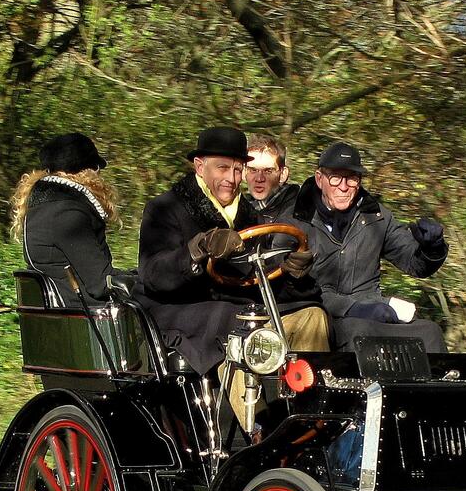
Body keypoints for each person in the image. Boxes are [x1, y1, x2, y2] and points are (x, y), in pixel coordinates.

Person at [137, 126, 329, 379]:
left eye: (238, 170)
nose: (232, 178)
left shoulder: (251, 217)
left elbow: (259, 277)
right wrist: (197, 250)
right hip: (178, 310)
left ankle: (309, 408)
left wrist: (292, 273)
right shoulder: (165, 208)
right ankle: (252, 415)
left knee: (312, 315)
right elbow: (153, 275)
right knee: (244, 324)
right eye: (223, 168)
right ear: (199, 166)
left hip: (236, 307)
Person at [279, 141, 448, 353]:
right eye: (335, 177)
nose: (343, 186)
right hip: (319, 314)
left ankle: (438, 386)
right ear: (319, 179)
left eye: (351, 178)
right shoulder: (293, 222)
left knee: (430, 332)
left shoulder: (377, 218)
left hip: (373, 311)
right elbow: (283, 284)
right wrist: (351, 308)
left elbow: (415, 264)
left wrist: (432, 247)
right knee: (358, 332)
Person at [11, 133, 120, 306]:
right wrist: (146, 281)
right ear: (87, 171)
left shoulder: (41, 207)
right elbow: (101, 284)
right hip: (88, 317)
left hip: (66, 314)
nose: (99, 174)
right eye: (97, 168)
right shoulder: (67, 213)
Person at [241, 133, 299, 224]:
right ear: (244, 173)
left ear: (283, 174)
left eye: (268, 171)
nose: (259, 179)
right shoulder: (240, 212)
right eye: (253, 170)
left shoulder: (300, 214)